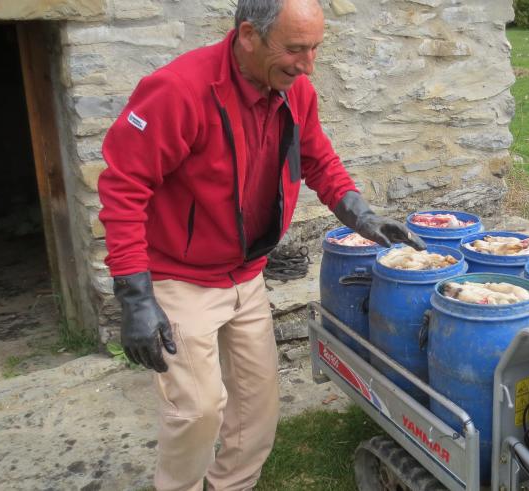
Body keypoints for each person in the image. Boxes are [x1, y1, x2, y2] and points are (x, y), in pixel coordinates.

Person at [97, 0, 425, 489]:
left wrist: (363, 215)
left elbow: (319, 161)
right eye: (295, 49)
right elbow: (123, 188)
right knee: (198, 410)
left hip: (246, 273)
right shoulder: (178, 91)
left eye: (315, 48)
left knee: (257, 405)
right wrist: (135, 297)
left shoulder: (296, 91)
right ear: (249, 35)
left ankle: (231, 485)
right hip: (179, 278)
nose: (307, 64)